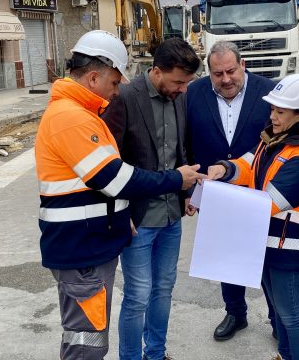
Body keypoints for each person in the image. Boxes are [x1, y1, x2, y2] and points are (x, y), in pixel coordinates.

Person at [34, 30, 205, 360]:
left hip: (88, 244)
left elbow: (101, 179)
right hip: (81, 249)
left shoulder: (81, 113)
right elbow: (114, 177)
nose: (117, 90)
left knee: (90, 339)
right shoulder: (71, 118)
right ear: (95, 76)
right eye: (114, 83)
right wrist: (175, 180)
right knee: (85, 343)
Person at [207, 74, 299, 360]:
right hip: (268, 243)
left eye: (280, 111)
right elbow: (249, 164)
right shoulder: (275, 139)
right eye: (272, 109)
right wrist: (224, 170)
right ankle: (285, 354)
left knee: (290, 315)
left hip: (290, 250)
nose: (272, 116)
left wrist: (215, 201)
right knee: (278, 308)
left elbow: (266, 203)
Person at [102, 38, 201, 360]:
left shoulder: (178, 98)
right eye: (178, 82)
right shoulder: (125, 99)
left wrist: (186, 192)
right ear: (156, 71)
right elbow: (108, 164)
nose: (184, 89)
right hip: (138, 220)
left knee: (163, 291)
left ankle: (155, 354)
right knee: (137, 296)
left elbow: (180, 152)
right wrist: (119, 212)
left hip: (171, 216)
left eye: (187, 83)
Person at [184, 40, 276, 341]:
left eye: (231, 71)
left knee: (267, 257)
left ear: (243, 65)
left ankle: (278, 316)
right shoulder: (193, 93)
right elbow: (185, 141)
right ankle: (235, 312)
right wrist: (189, 191)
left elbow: (277, 137)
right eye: (218, 73)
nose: (226, 80)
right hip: (216, 190)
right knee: (227, 256)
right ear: (209, 72)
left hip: (261, 190)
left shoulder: (270, 91)